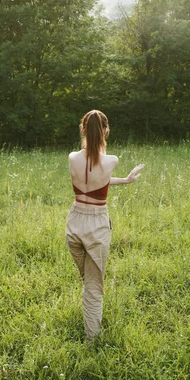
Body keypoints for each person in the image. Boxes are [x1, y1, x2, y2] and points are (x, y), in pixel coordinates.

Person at [66, 110, 144, 341]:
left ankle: (91, 316)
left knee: (89, 280)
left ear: (82, 130)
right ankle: (93, 341)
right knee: (93, 286)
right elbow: (100, 174)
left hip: (74, 224)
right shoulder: (112, 160)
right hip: (96, 225)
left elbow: (93, 181)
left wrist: (126, 180)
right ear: (106, 131)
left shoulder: (72, 157)